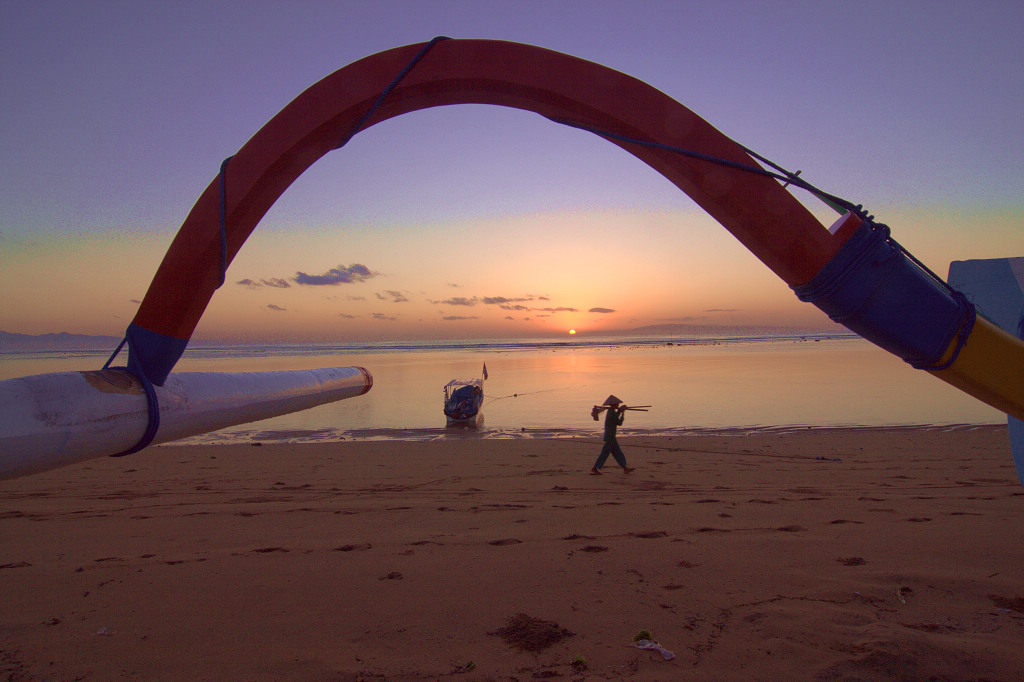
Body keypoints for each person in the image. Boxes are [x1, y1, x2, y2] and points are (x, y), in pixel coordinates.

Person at [591, 395, 635, 475]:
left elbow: (615, 418)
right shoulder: (611, 413)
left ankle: (625, 468)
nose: (618, 405)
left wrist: (619, 412)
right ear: (613, 404)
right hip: (610, 437)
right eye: (617, 404)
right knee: (605, 454)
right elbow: (619, 423)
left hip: (610, 436)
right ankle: (595, 468)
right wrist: (622, 413)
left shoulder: (611, 412)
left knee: (617, 453)